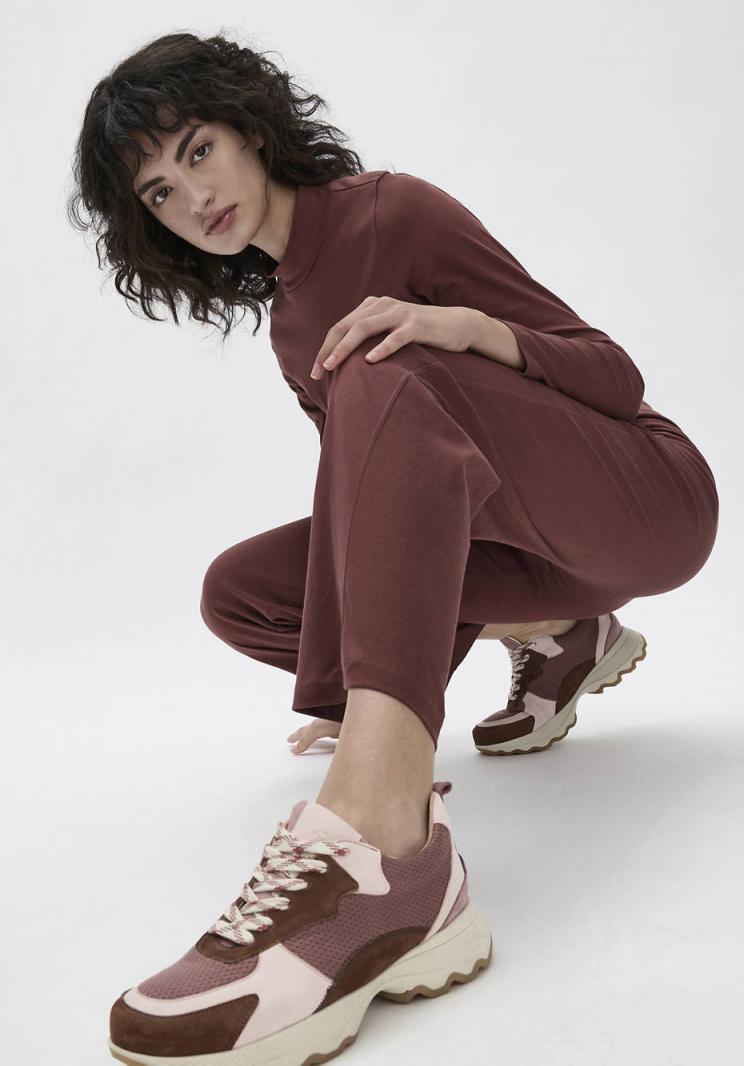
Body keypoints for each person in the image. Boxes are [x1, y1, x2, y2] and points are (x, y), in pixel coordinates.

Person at [68, 31, 719, 1065]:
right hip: (533, 552)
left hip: (648, 500)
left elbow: (614, 376)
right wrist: (349, 681)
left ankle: (380, 839)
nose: (193, 197)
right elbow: (387, 505)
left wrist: (465, 327)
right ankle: (563, 635)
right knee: (241, 592)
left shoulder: (393, 211)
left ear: (250, 129)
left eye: (197, 151)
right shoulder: (290, 327)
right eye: (159, 192)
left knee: (380, 370)